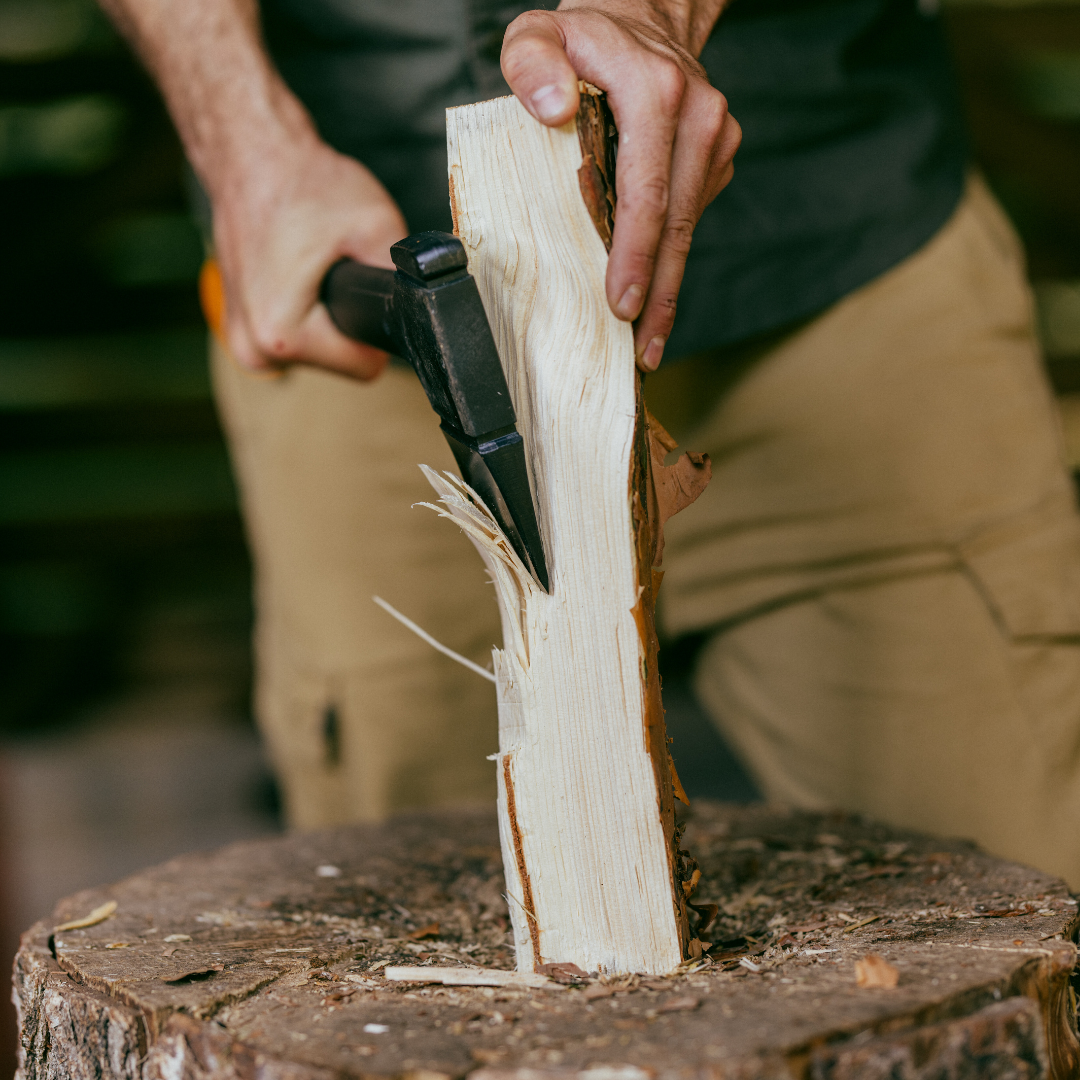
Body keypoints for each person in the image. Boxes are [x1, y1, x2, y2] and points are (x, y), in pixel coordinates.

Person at [101, 0, 1080, 887]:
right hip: (362, 315)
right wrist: (241, 138)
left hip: (844, 251)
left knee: (1026, 902)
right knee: (395, 946)